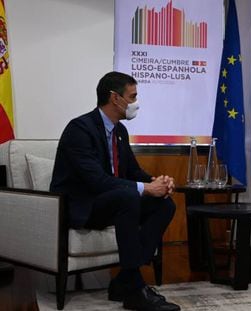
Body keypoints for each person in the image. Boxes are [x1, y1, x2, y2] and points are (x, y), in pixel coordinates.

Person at [50, 71, 180, 311]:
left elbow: (132, 171)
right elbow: (97, 181)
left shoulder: (119, 131)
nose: (136, 103)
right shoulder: (79, 129)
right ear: (115, 98)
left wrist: (157, 182)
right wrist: (145, 188)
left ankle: (124, 280)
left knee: (165, 204)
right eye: (133, 96)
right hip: (82, 206)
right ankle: (134, 289)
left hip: (112, 202)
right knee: (129, 195)